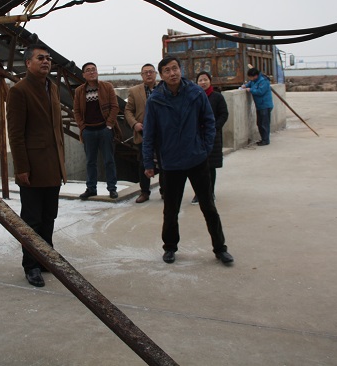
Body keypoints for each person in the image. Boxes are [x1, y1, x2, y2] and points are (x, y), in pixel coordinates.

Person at [142, 56, 233, 265]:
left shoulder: (195, 93)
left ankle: (220, 248)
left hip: (196, 159)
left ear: (180, 70)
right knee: (171, 210)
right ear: (162, 75)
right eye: (167, 70)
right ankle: (170, 247)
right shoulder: (155, 100)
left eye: (175, 68)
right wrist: (148, 162)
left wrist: (204, 149)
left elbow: (209, 122)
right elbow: (149, 134)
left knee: (208, 207)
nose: (172, 73)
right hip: (171, 163)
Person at [6, 44, 67, 287]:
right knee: (32, 219)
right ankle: (31, 265)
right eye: (40, 58)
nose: (46, 61)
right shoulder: (19, 91)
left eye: (48, 58)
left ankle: (46, 257)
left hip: (53, 164)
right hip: (33, 166)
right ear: (28, 63)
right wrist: (21, 167)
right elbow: (15, 133)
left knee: (49, 215)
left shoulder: (52, 87)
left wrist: (61, 161)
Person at [73, 62, 120, 199]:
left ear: (97, 72)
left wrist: (109, 125)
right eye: (88, 70)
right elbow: (76, 111)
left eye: (93, 69)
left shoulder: (107, 87)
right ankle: (91, 188)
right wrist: (82, 127)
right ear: (83, 75)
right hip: (88, 131)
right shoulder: (79, 91)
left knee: (109, 160)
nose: (91, 72)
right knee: (90, 162)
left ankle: (112, 188)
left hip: (104, 130)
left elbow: (115, 107)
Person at [190, 71, 228, 205]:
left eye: (205, 79)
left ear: (210, 81)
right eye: (200, 80)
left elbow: (224, 114)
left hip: (212, 136)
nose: (203, 82)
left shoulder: (217, 97)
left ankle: (210, 192)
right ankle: (198, 193)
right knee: (197, 166)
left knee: (210, 166)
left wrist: (214, 127)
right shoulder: (194, 97)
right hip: (197, 136)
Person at [125, 63, 159, 203]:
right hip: (143, 133)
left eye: (151, 71)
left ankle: (165, 191)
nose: (148, 74)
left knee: (164, 163)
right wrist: (134, 124)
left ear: (156, 73)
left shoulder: (163, 88)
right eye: (145, 72)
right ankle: (144, 192)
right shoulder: (134, 91)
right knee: (144, 163)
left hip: (162, 133)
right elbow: (128, 110)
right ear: (141, 75)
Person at [243, 67, 274, 146]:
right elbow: (249, 84)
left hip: (265, 105)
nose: (250, 79)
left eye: (250, 77)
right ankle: (263, 138)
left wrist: (251, 90)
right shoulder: (254, 81)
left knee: (264, 123)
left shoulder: (263, 81)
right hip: (259, 105)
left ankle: (265, 140)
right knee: (259, 123)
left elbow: (260, 92)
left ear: (255, 76)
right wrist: (245, 86)